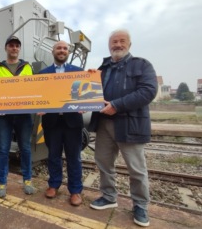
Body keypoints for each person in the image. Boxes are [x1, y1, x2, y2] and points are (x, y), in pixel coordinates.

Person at [88, 29, 157, 227]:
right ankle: (109, 197)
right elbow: (90, 93)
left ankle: (141, 205)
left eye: (121, 41)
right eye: (114, 42)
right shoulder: (104, 68)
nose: (117, 45)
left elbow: (148, 91)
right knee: (103, 163)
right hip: (104, 124)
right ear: (109, 45)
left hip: (130, 124)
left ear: (129, 44)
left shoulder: (142, 65)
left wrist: (117, 105)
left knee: (136, 169)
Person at [38, 40, 84, 206]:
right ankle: (54, 185)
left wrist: (86, 104)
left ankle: (76, 190)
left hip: (73, 122)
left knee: (74, 158)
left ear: (68, 52)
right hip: (52, 122)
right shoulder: (43, 73)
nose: (62, 50)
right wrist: (38, 105)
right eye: (59, 48)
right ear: (53, 51)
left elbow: (84, 94)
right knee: (53, 157)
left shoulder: (80, 72)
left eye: (65, 48)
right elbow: (39, 96)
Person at [0, 36, 35, 198]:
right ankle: (2, 183)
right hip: (4, 116)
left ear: (19, 49)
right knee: (3, 149)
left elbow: (35, 88)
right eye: (11, 45)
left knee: (25, 148)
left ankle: (27, 180)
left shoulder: (28, 67)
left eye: (17, 46)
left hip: (24, 115)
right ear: (6, 48)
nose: (14, 48)